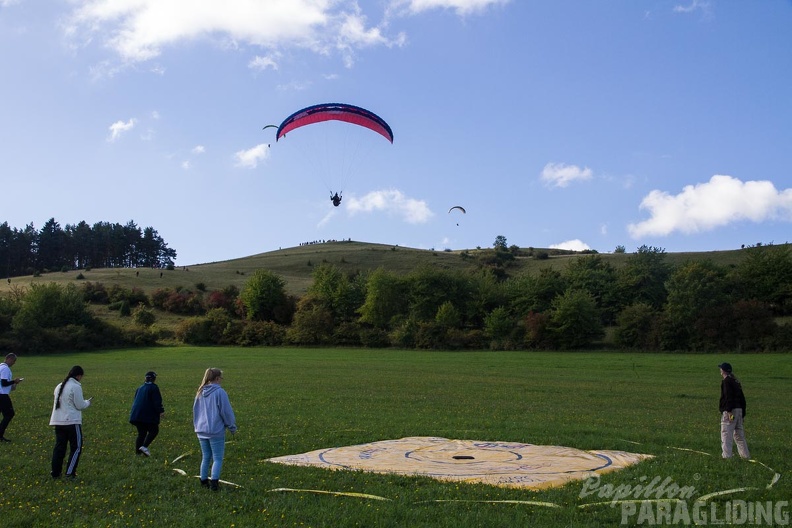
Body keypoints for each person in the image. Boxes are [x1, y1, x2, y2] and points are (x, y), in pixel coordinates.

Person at [193, 368, 237, 491]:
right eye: (221, 378)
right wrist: (232, 426)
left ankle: (203, 480)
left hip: (201, 430)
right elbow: (226, 412)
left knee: (206, 456)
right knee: (217, 458)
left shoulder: (200, 392)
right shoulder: (220, 392)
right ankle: (214, 484)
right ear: (217, 378)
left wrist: (197, 426)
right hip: (215, 431)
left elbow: (195, 411)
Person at [50, 366, 92, 479]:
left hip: (58, 421)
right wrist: (87, 402)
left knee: (59, 447)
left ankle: (55, 472)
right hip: (72, 421)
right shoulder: (75, 386)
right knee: (76, 448)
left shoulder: (59, 386)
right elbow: (80, 405)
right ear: (79, 376)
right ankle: (70, 472)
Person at [719, 362, 750, 459]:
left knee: (726, 434)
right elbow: (742, 398)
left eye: (721, 369)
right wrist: (743, 414)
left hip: (731, 411)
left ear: (723, 371)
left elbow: (728, 397)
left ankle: (726, 456)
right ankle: (745, 456)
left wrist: (728, 411)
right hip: (739, 410)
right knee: (739, 435)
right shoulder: (735, 381)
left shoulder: (726, 381)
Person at [129, 371, 164, 457]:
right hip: (146, 415)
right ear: (154, 379)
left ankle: (138, 453)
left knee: (142, 433)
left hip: (136, 415)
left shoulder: (140, 388)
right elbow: (157, 401)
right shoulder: (154, 388)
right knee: (154, 430)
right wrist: (161, 411)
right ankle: (144, 447)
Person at [0, 353, 23, 442]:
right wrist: (14, 381)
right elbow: (4, 383)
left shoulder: (0, 367)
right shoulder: (5, 369)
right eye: (14, 361)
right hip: (2, 395)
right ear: (9, 359)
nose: (14, 363)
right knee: (9, 414)